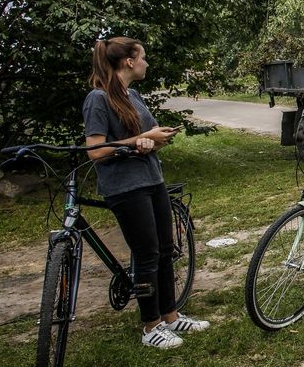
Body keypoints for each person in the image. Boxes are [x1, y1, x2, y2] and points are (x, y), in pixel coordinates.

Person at [82, 37, 209, 348]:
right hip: (125, 187)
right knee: (147, 254)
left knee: (165, 249)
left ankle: (171, 316)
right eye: (143, 58)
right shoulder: (98, 99)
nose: (146, 63)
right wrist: (138, 139)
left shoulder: (132, 94)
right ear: (128, 61)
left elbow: (147, 134)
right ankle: (150, 327)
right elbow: (95, 150)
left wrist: (156, 137)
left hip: (152, 179)